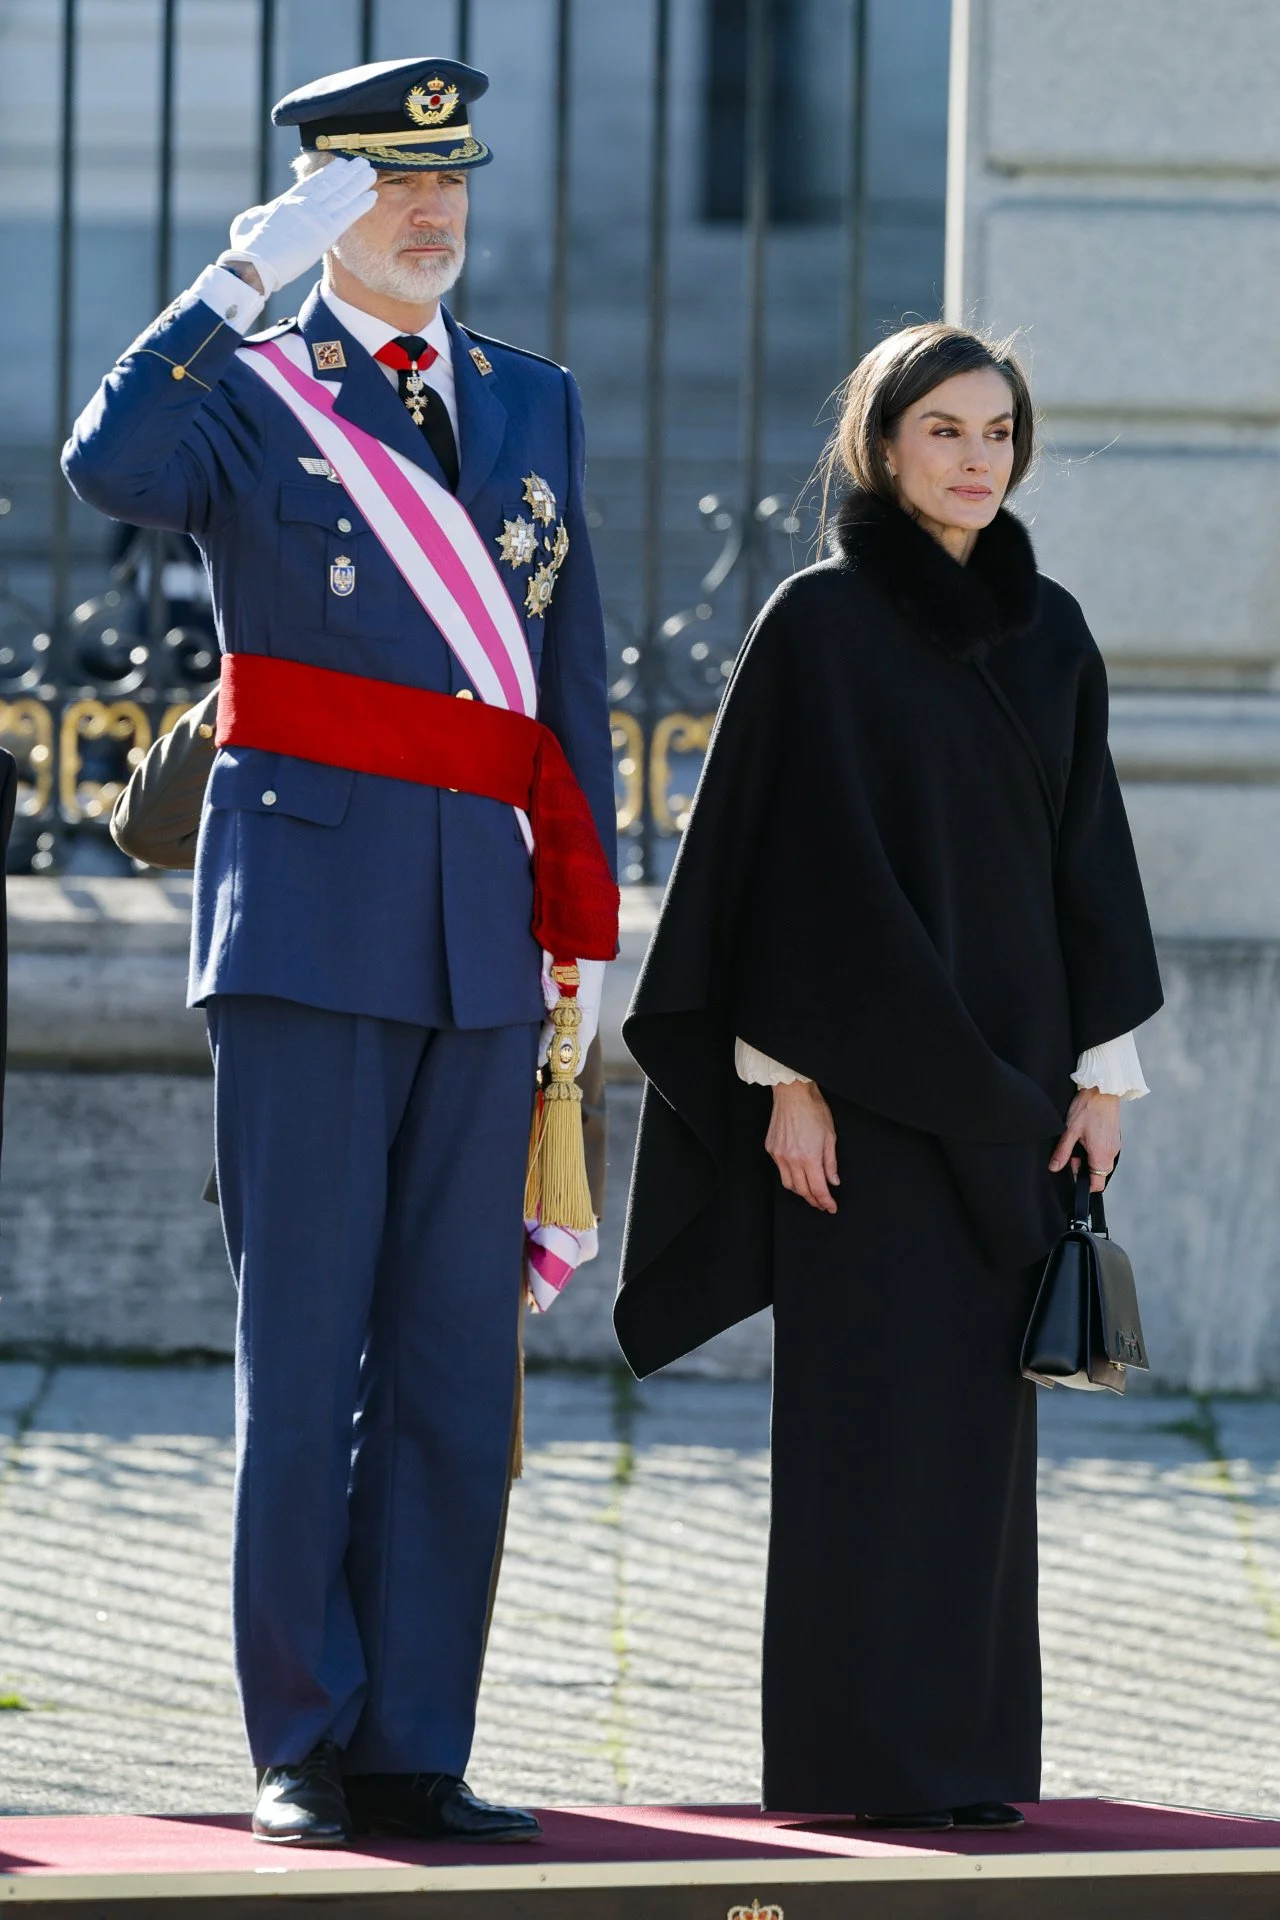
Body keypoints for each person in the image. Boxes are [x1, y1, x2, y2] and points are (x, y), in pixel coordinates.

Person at [65, 56, 617, 1848]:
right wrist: (240, 277)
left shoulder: (531, 401)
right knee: (303, 1352)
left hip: (478, 928)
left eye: (447, 178)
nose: (431, 210)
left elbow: (570, 687)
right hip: (305, 923)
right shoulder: (245, 392)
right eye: (385, 184)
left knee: (456, 1363)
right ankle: (303, 1734)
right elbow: (110, 463)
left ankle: (418, 1742)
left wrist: (580, 929)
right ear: (318, 204)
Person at [615, 324, 1163, 1829]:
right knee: (865, 1437)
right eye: (945, 431)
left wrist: (1104, 1072)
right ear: (882, 444)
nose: (978, 458)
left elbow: (1088, 858)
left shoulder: (1049, 630)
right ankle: (854, 1772)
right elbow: (772, 869)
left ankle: (974, 1769)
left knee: (981, 1458)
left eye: (997, 431)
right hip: (850, 1104)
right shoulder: (818, 623)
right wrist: (781, 1077)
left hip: (1014, 1104)